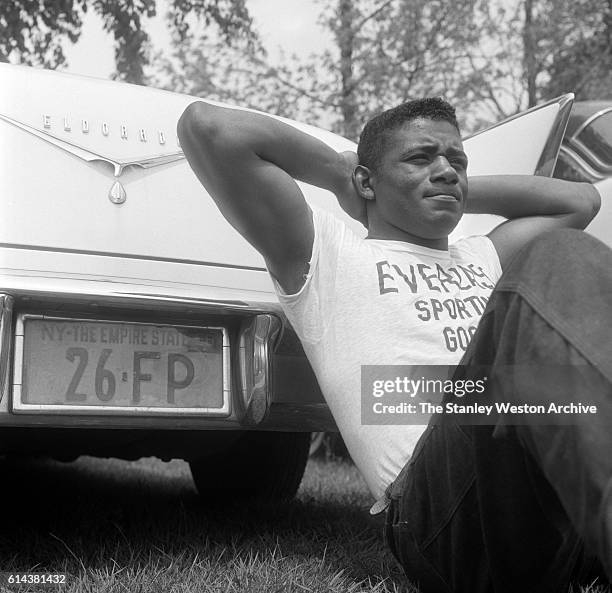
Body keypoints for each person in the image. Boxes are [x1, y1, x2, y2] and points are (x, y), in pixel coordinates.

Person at [177, 97, 610, 592]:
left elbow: (581, 201)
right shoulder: (328, 257)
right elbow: (209, 128)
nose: (447, 171)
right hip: (444, 516)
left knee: (573, 261)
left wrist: (443, 183)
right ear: (367, 181)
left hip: (549, 499)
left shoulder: (485, 255)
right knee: (554, 260)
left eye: (458, 161)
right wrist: (346, 177)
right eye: (421, 157)